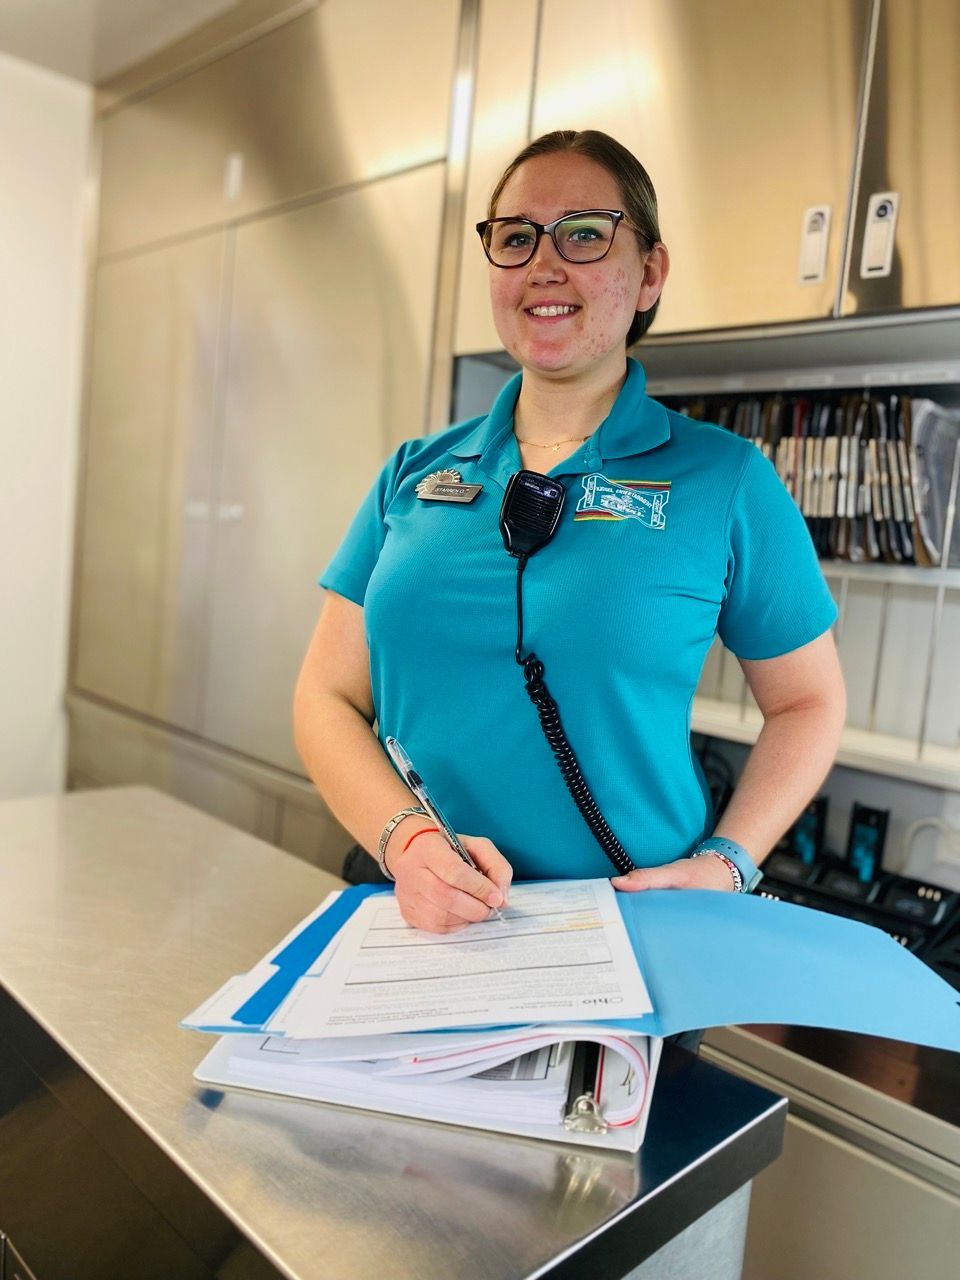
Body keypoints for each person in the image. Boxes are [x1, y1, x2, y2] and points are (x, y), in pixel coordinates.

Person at [293, 129, 846, 936]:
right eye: (516, 237)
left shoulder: (725, 480)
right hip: (420, 906)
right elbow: (327, 695)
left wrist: (729, 862)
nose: (543, 265)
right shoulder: (414, 471)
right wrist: (407, 843)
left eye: (584, 234)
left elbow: (808, 702)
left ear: (650, 273)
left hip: (632, 920)